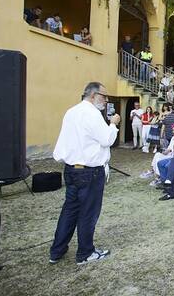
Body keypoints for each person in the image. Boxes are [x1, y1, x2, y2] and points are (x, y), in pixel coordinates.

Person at [49, 82, 120, 265]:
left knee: (69, 210)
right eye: (104, 96)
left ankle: (57, 251)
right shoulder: (92, 114)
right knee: (88, 212)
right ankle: (85, 253)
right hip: (90, 172)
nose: (106, 100)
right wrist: (113, 124)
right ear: (93, 95)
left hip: (72, 169)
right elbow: (106, 139)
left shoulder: (71, 112)